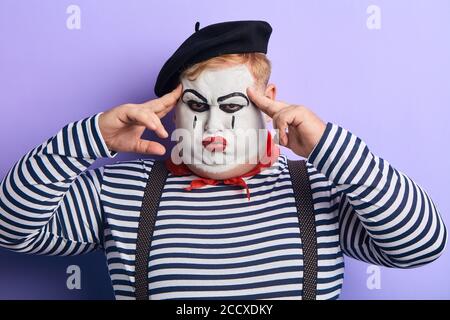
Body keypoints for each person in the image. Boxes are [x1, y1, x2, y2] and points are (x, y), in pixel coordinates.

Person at [0, 20, 446, 300]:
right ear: (173, 111)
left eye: (233, 106)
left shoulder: (319, 187)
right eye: (196, 106)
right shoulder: (120, 192)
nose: (214, 126)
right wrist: (92, 136)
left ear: (269, 102)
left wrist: (330, 147)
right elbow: (11, 228)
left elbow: (421, 244)